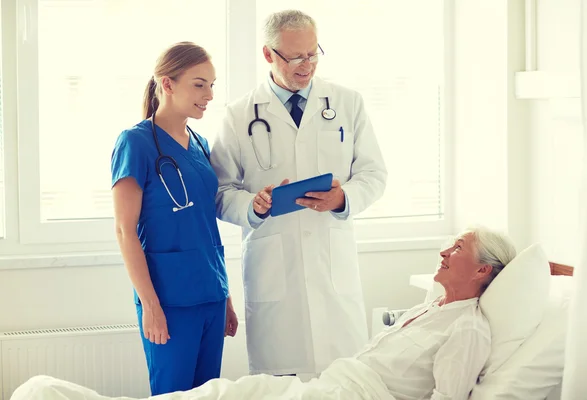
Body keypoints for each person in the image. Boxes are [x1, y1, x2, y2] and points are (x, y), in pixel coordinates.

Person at [13, 226, 517, 400]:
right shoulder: (430, 306)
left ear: (484, 272)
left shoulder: (467, 328)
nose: (445, 252)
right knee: (220, 391)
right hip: (322, 386)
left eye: (458, 248)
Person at [209, 10, 388, 377]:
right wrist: (253, 206)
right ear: (268, 55)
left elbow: (373, 173)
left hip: (331, 264)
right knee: (280, 384)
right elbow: (220, 191)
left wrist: (343, 199)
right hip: (275, 270)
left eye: (313, 53)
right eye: (295, 57)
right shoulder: (239, 114)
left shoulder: (346, 103)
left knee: (344, 380)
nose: (307, 65)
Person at [110, 42, 238, 395]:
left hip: (210, 294)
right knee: (172, 392)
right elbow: (125, 231)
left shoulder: (198, 143)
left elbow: (204, 226)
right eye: (199, 84)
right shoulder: (135, 143)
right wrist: (150, 305)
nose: (209, 94)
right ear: (166, 84)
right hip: (169, 299)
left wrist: (224, 295)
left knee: (207, 393)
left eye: (212, 85)